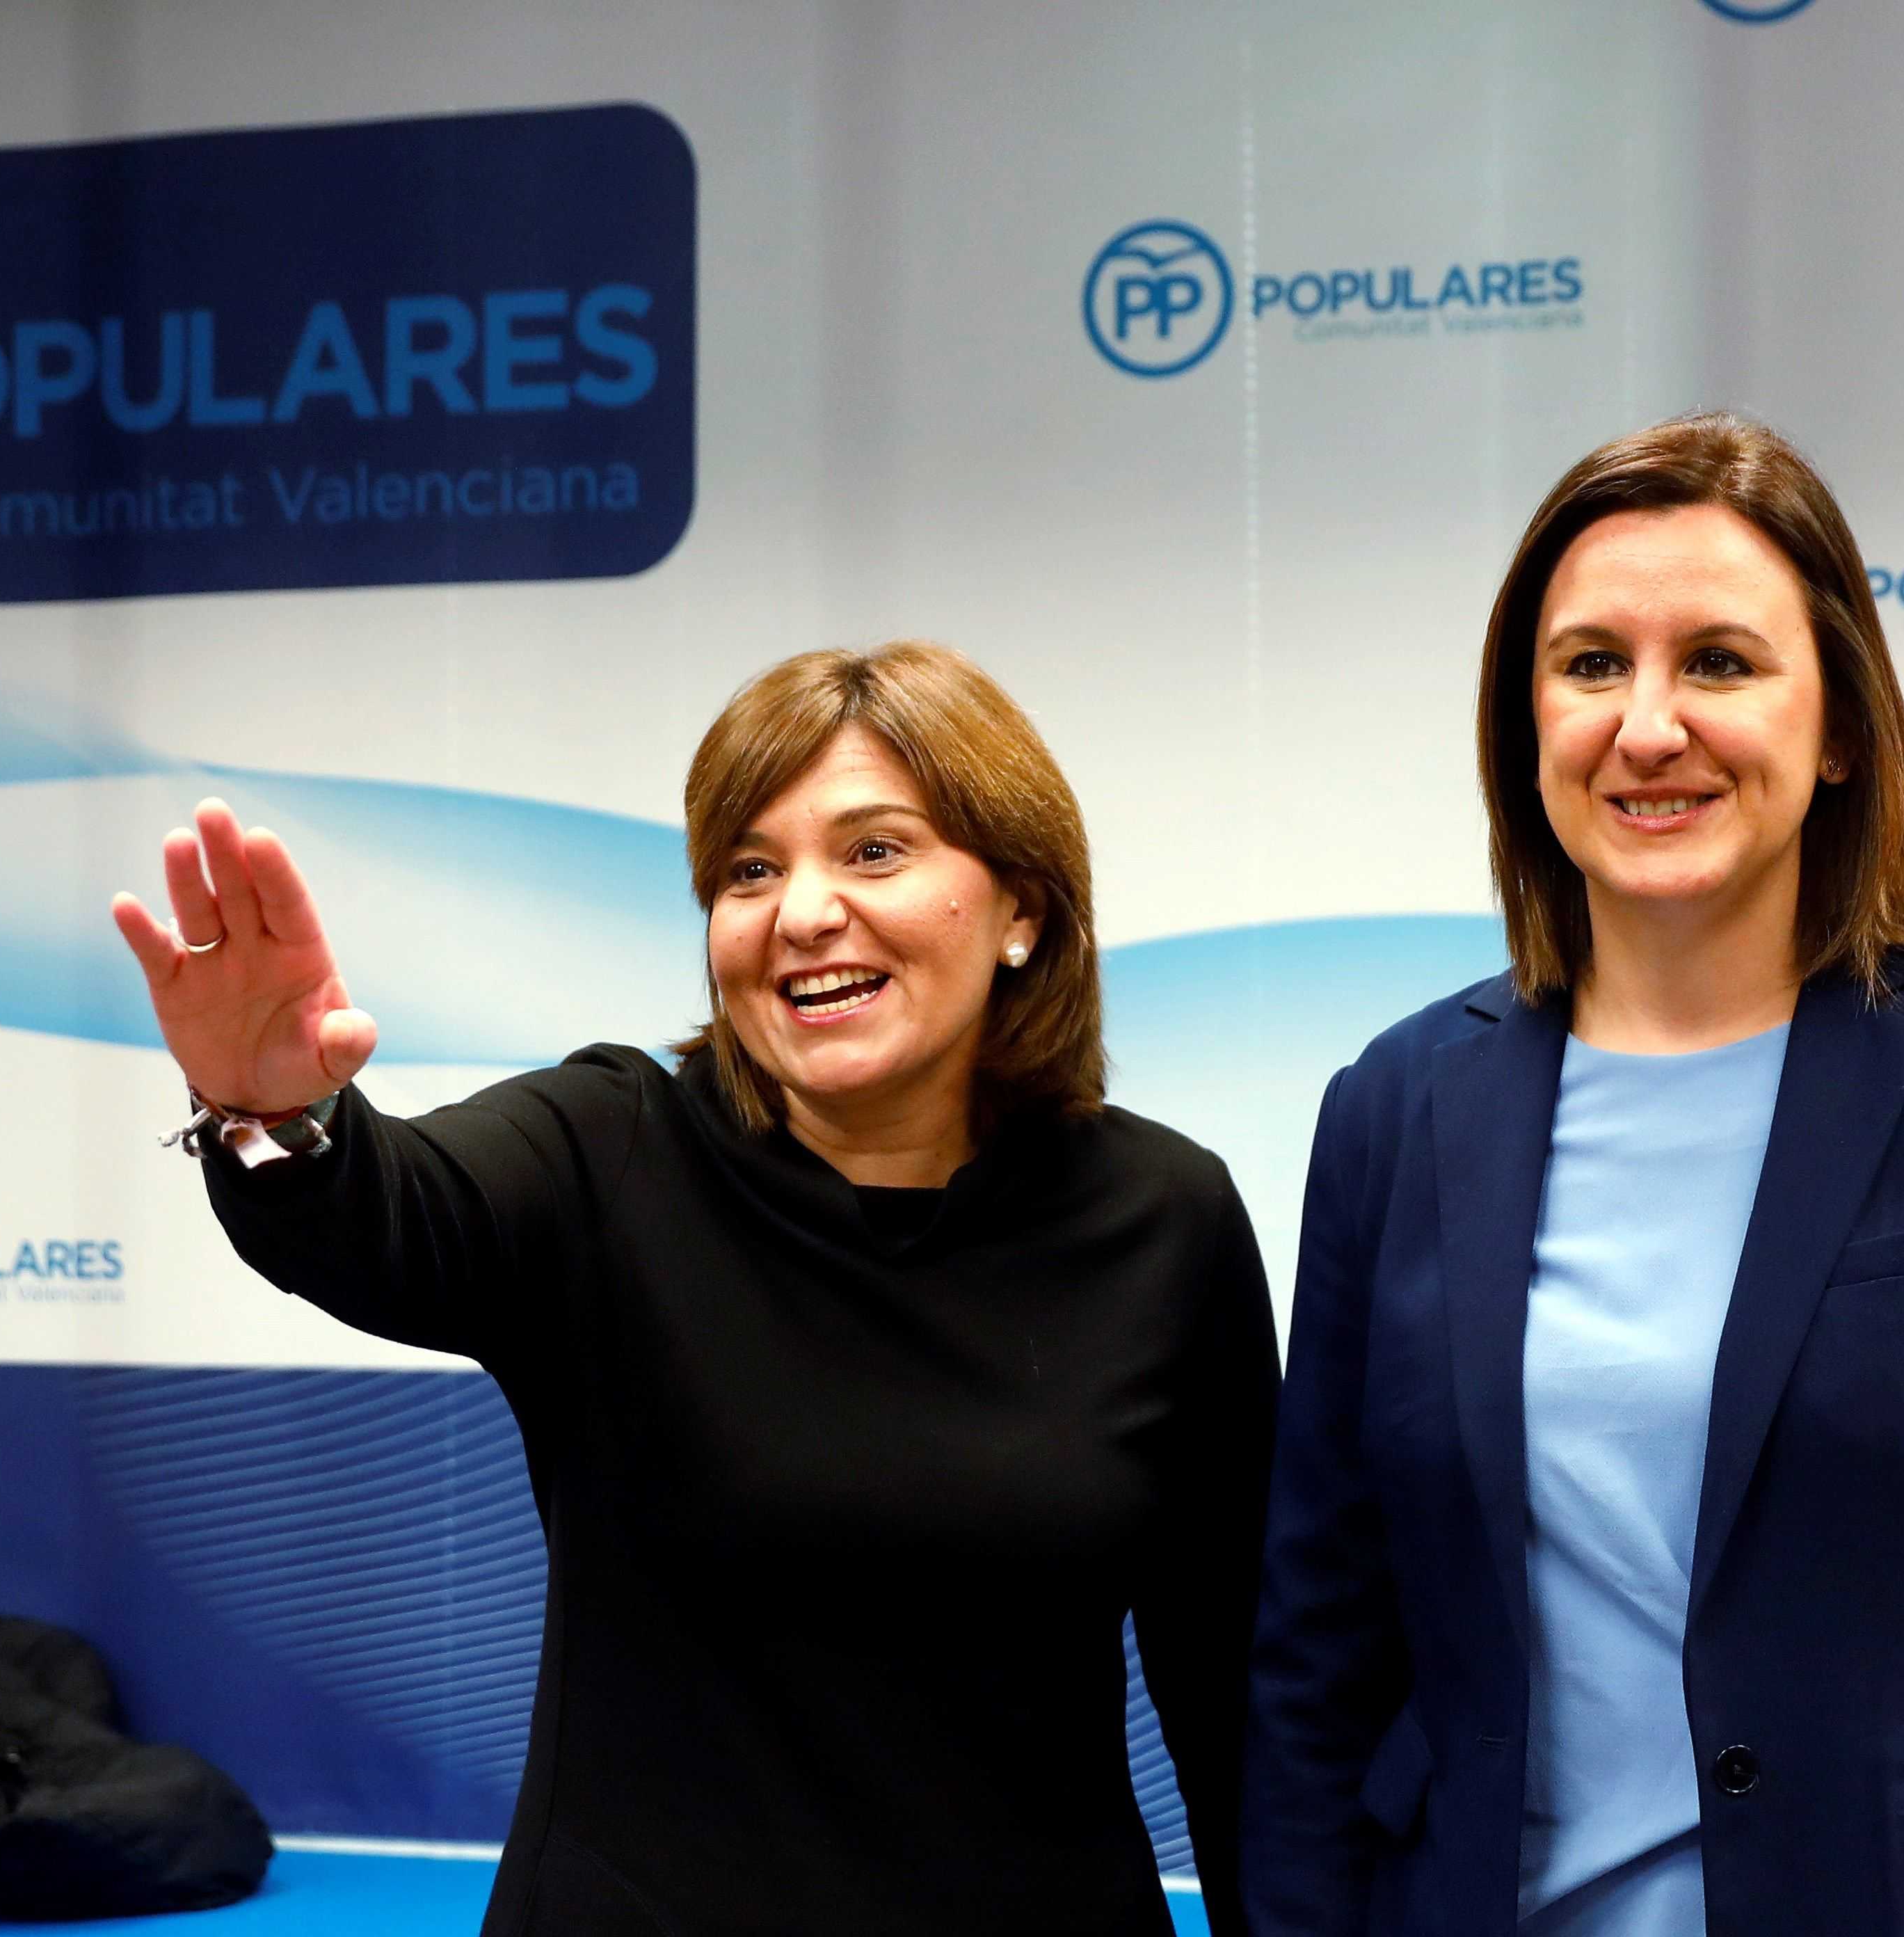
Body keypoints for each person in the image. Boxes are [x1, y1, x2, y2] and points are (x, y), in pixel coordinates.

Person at [1239, 414, 1904, 1936]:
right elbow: (1317, 1672)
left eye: (1720, 664)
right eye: (1591, 665)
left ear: (1843, 724)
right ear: (1525, 724)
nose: (1649, 726)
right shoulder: (1398, 1111)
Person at [111, 641, 1279, 1936]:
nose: (803, 912)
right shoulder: (609, 1149)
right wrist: (277, 1109)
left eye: (875, 851)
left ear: (1023, 912)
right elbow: (387, 1219)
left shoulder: (1164, 1217)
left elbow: (1233, 1678)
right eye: (750, 870)